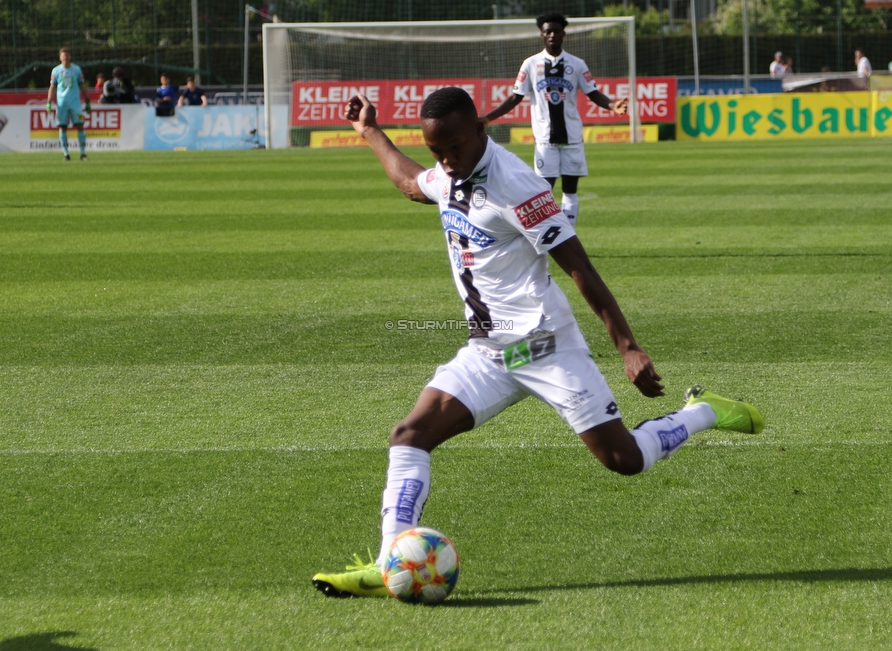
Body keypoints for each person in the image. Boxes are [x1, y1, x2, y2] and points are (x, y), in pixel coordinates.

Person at [311, 87, 765, 599]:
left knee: (625, 460)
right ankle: (387, 562)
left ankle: (702, 411)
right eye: (438, 152)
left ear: (482, 130)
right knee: (409, 435)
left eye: (453, 149)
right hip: (488, 352)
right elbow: (412, 183)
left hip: (544, 346)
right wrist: (370, 131)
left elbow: (578, 266)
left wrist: (627, 347)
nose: (446, 162)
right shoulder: (451, 173)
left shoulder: (518, 187)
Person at [479, 13, 627, 227]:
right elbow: (515, 97)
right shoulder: (530, 64)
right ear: (541, 34)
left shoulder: (577, 64)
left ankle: (569, 236)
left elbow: (593, 92)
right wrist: (487, 118)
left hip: (572, 138)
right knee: (543, 190)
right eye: (548, 31)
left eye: (556, 31)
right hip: (545, 140)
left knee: (570, 189)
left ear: (563, 34)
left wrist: (612, 105)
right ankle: (550, 235)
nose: (552, 35)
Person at [46, 47, 91, 161]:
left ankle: (83, 153)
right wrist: (49, 101)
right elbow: (52, 86)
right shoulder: (56, 71)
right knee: (62, 127)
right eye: (63, 55)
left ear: (70, 57)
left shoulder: (77, 69)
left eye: (67, 55)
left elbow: (82, 85)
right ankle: (66, 154)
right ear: (60, 57)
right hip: (62, 105)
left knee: (80, 125)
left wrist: (87, 100)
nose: (65, 57)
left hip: (76, 105)